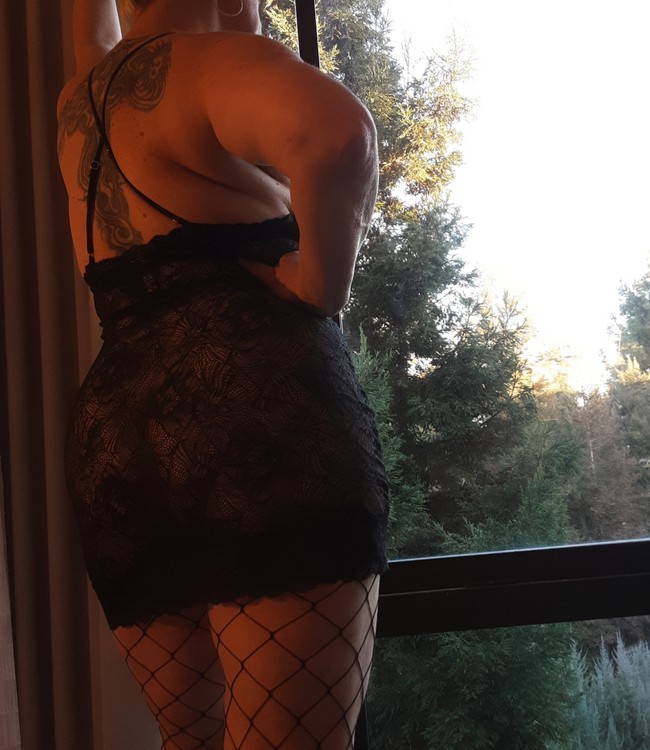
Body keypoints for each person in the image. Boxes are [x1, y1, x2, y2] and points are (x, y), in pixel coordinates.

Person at [56, 0, 389, 747]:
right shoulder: (211, 68)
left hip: (117, 443)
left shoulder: (81, 97)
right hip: (253, 413)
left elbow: (94, 31)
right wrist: (318, 286)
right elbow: (341, 134)